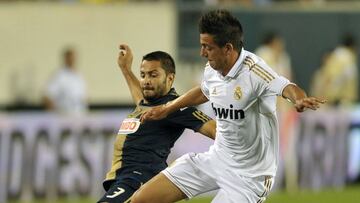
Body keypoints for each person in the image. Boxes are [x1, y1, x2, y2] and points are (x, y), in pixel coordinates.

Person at [131, 9, 325, 203]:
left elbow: (287, 86)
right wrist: (167, 108)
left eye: (208, 47)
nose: (202, 53)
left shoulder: (254, 71)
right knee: (142, 199)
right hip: (217, 159)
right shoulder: (212, 69)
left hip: (250, 177)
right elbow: (204, 91)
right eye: (202, 46)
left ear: (228, 48)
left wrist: (299, 99)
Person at [97, 44, 216, 203]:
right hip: (126, 179)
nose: (146, 81)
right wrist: (126, 69)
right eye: (143, 75)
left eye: (153, 75)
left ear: (170, 78)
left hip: (139, 179)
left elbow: (215, 130)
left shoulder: (175, 107)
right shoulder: (147, 104)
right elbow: (140, 99)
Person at [43, 47, 87, 114]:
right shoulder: (59, 76)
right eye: (70, 58)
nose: (72, 60)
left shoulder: (79, 76)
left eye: (73, 58)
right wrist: (54, 115)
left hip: (79, 116)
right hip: (64, 117)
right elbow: (47, 96)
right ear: (65, 59)